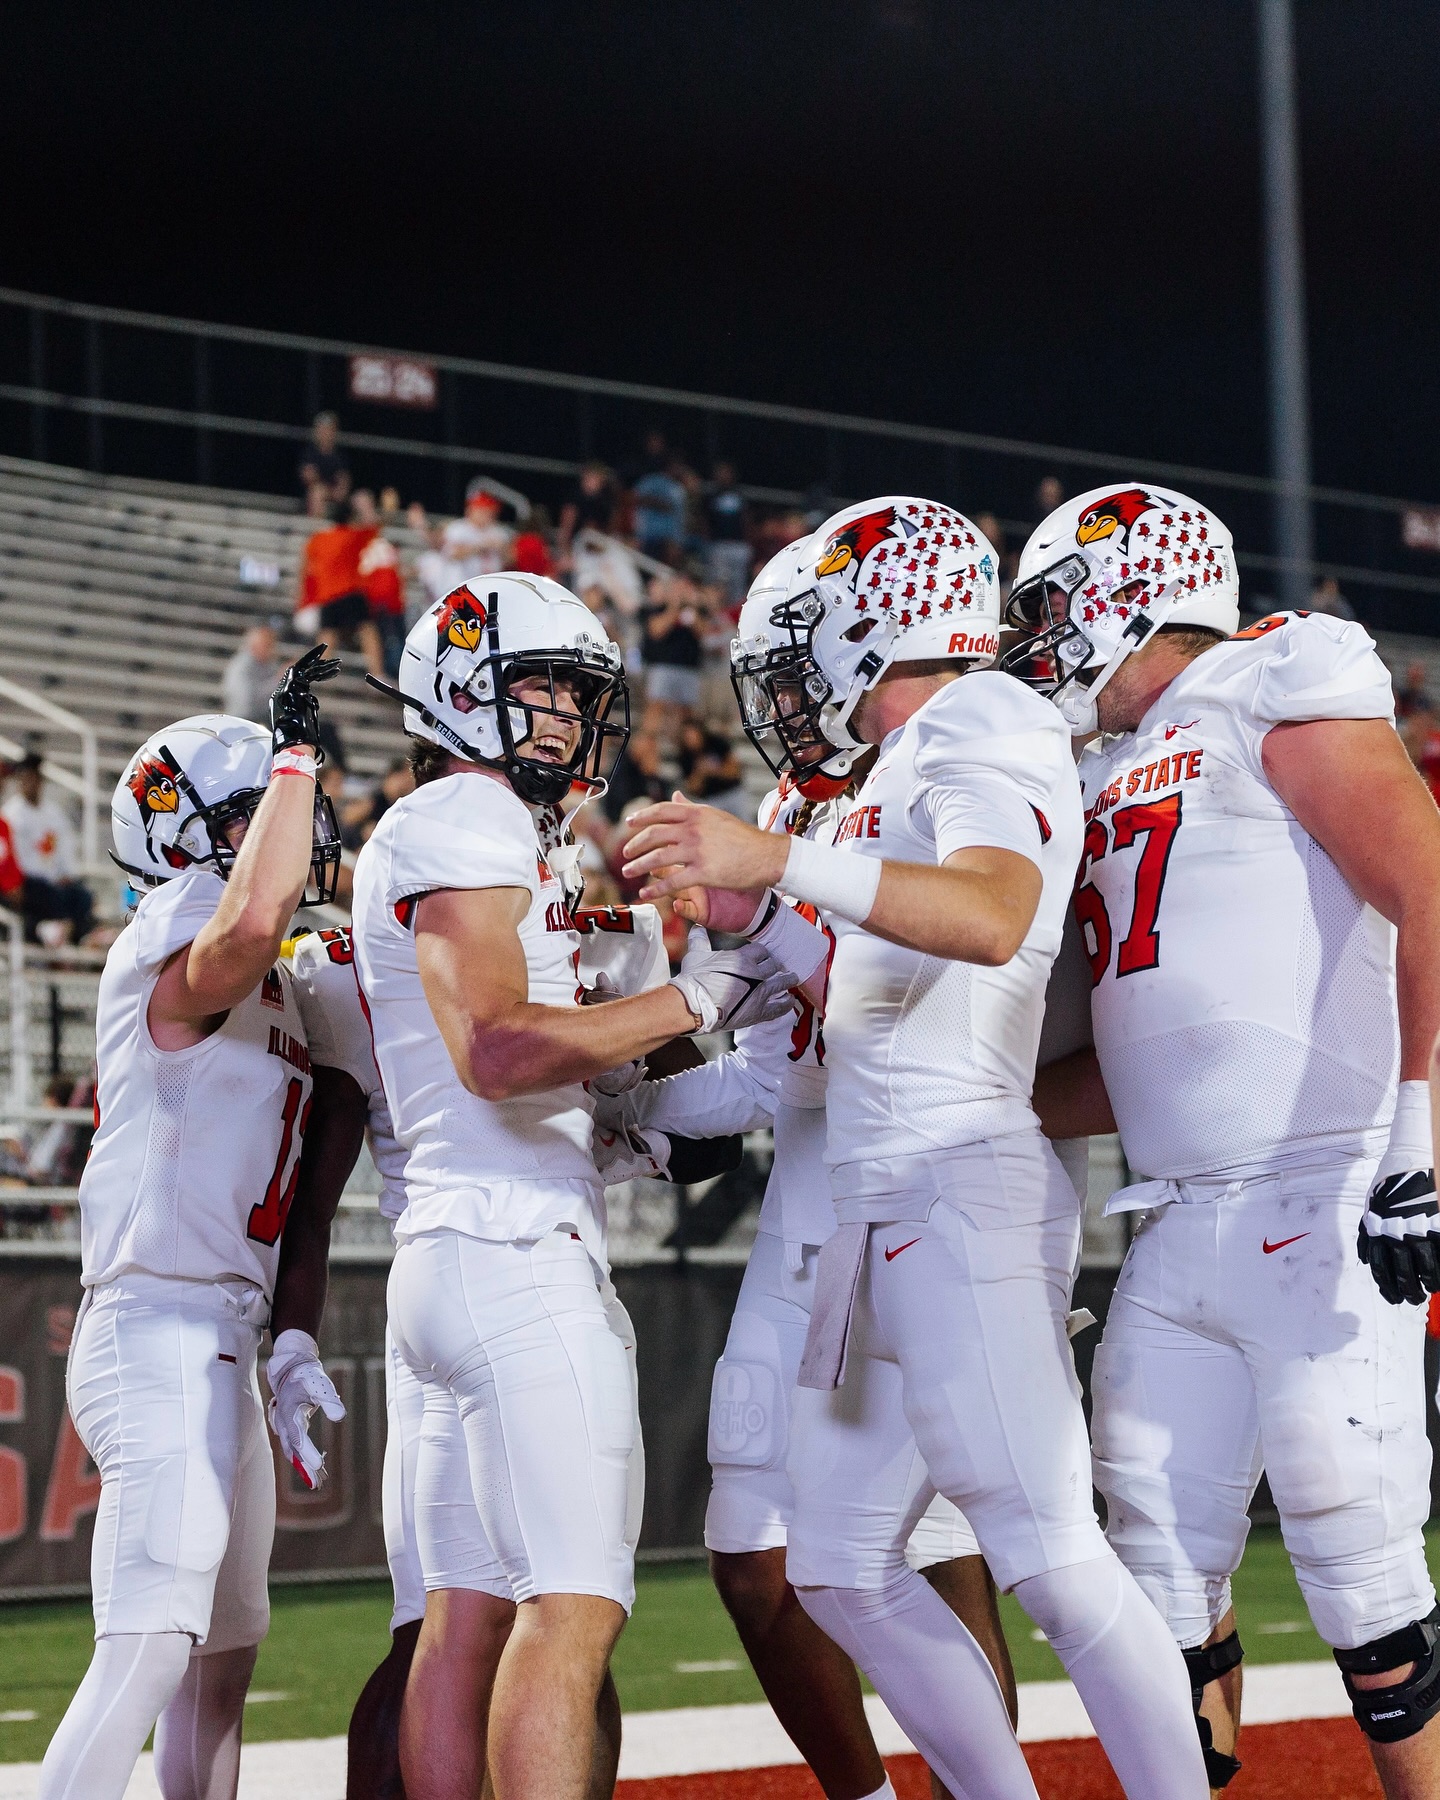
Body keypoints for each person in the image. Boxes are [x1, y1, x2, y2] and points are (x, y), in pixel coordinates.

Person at [622, 496, 1209, 1800]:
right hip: (880, 1203)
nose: (779, 695)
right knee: (834, 1564)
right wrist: (654, 1083)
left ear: (873, 631)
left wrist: (776, 860)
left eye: (795, 658)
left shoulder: (983, 714)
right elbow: (831, 1035)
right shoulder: (880, 782)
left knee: (1050, 1555)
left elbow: (996, 917)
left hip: (964, 1179)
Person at [1006, 483, 1440, 1798]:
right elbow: (1149, 1053)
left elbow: (1425, 885)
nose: (1038, 644)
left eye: (1050, 611)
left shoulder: (1275, 676)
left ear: (1126, 590)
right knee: (1151, 1544)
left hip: (1327, 1183)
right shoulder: (1101, 768)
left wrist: (1422, 1132)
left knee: (1350, 1532)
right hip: (1182, 1209)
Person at [351, 574, 798, 1800]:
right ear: (465, 692)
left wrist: (654, 1100)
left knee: (467, 1620)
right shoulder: (464, 818)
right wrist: (702, 995)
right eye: (545, 688)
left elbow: (535, 1081)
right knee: (573, 1610)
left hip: (456, 1248)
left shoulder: (479, 835)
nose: (571, 716)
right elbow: (495, 1049)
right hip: (511, 1257)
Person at [37, 652, 342, 1800]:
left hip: (226, 1342)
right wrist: (299, 756)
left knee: (221, 1661)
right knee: (152, 1642)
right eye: (258, 806)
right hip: (154, 1324)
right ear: (188, 837)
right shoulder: (176, 940)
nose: (294, 825)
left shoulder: (284, 983)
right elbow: (249, 923)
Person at [2, 752, 95, 944]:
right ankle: (58, 932)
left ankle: (76, 938)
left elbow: (63, 847)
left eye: (34, 779)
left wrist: (66, 873)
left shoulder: (53, 813)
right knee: (48, 897)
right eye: (26, 779)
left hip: (54, 880)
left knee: (83, 897)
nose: (30, 784)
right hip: (30, 880)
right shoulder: (12, 815)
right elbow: (16, 859)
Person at [296, 495, 386, 678]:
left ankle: (315, 677)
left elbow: (304, 566)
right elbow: (376, 526)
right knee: (367, 631)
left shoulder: (318, 538)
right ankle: (377, 673)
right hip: (350, 591)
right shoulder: (352, 536)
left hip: (327, 595)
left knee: (327, 637)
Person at [641, 573, 711, 748]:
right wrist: (674, 608)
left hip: (689, 668)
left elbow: (704, 633)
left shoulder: (696, 611)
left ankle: (681, 750)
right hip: (663, 665)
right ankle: (649, 748)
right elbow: (656, 631)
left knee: (686, 715)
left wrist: (693, 610)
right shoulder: (659, 608)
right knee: (656, 707)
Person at [704, 462, 753, 606]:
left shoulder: (740, 494)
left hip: (738, 545)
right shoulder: (711, 496)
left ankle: (736, 613)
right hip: (719, 545)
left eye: (726, 472)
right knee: (719, 582)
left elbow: (747, 520)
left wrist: (748, 543)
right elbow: (706, 522)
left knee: (738, 584)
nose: (723, 476)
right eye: (720, 472)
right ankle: (720, 613)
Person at [222, 622, 285, 723]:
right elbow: (247, 701)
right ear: (254, 645)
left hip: (264, 720)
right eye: (267, 645)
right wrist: (279, 680)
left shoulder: (270, 665)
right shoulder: (240, 667)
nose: (272, 650)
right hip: (242, 721)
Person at [298, 411, 351, 510]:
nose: (325, 433)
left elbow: (344, 478)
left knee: (362, 497)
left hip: (336, 496)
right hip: (313, 497)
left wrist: (340, 490)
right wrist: (328, 490)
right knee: (318, 492)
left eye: (328, 429)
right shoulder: (309, 452)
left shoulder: (340, 454)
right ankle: (316, 525)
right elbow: (309, 478)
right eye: (322, 429)